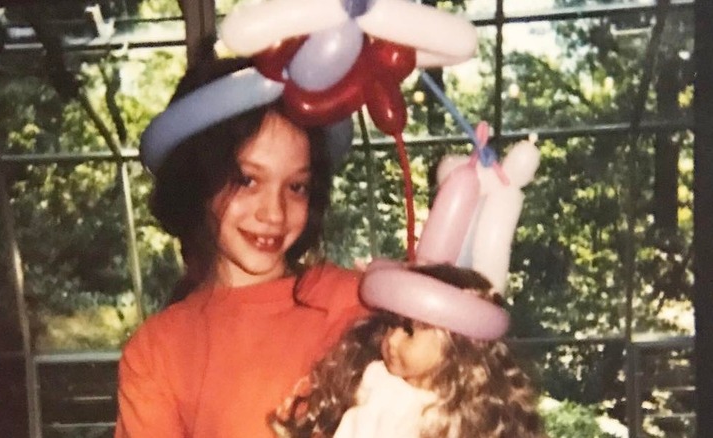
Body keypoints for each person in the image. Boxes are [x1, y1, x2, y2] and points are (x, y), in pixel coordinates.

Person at [114, 37, 367, 437]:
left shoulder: (354, 302)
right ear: (199, 183)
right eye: (247, 180)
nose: (274, 213)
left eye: (296, 187)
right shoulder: (158, 352)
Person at [272, 264, 544, 438]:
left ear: (455, 345)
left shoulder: (453, 416)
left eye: (410, 331)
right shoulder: (378, 379)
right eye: (391, 325)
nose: (392, 339)